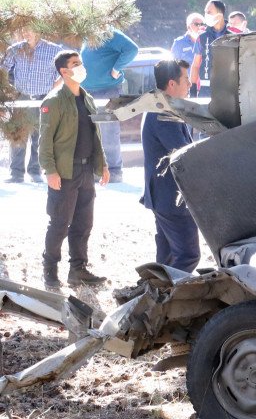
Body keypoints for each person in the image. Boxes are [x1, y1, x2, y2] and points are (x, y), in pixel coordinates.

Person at [39, 49, 109, 288]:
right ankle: (50, 270)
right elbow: (45, 141)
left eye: (80, 62)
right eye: (75, 64)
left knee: (83, 224)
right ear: (64, 71)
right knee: (59, 223)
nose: (81, 67)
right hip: (64, 173)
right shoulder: (54, 101)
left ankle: (78, 270)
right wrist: (50, 170)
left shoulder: (87, 98)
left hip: (86, 170)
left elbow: (95, 135)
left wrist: (103, 165)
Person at [141, 60, 200, 273]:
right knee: (188, 256)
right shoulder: (163, 113)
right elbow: (183, 153)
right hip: (171, 198)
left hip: (163, 197)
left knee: (166, 258)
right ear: (172, 84)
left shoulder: (163, 107)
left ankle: (157, 291)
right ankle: (169, 291)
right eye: (186, 79)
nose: (190, 84)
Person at [2, 27, 62, 183]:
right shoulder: (15, 49)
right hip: (21, 97)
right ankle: (16, 173)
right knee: (18, 134)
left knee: (40, 136)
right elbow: (3, 70)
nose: (25, 33)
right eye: (23, 30)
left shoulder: (54, 50)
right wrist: (7, 90)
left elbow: (65, 71)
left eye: (29, 29)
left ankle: (35, 171)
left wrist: (54, 87)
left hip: (44, 98)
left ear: (39, 30)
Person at [80, 28, 138, 183]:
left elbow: (132, 49)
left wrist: (116, 69)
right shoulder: (88, 32)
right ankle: (95, 170)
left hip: (107, 91)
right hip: (86, 91)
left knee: (108, 132)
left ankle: (114, 171)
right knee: (89, 132)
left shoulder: (109, 32)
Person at [190, 0, 230, 97]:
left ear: (220, 14)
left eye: (209, 12)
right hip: (205, 90)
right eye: (205, 12)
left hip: (228, 90)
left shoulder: (233, 37)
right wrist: (193, 89)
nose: (206, 15)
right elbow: (195, 65)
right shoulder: (202, 37)